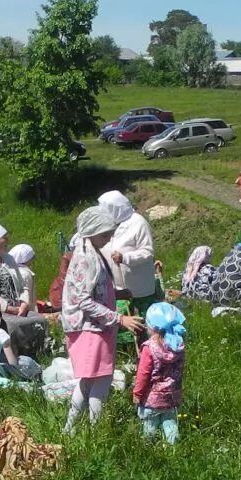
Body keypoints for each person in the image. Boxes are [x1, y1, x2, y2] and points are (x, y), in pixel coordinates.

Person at [61, 204, 144, 431]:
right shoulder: (86, 258)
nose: (108, 239)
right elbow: (84, 300)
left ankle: (70, 428)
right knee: (101, 378)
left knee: (89, 379)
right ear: (92, 231)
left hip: (92, 326)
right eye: (105, 234)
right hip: (91, 327)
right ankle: (95, 429)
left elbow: (92, 289)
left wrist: (116, 293)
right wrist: (120, 319)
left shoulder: (91, 252)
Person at [132, 302, 187, 442]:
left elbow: (143, 374)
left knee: (149, 428)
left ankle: (149, 450)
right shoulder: (177, 346)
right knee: (171, 425)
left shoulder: (149, 348)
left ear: (152, 326)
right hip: (171, 397)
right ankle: (174, 449)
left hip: (151, 399)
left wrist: (137, 393)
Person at [101, 189, 160, 311]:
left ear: (115, 208)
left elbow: (147, 251)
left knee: (140, 318)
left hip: (138, 288)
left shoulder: (138, 222)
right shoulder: (110, 224)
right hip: (116, 288)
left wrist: (124, 258)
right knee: (123, 319)